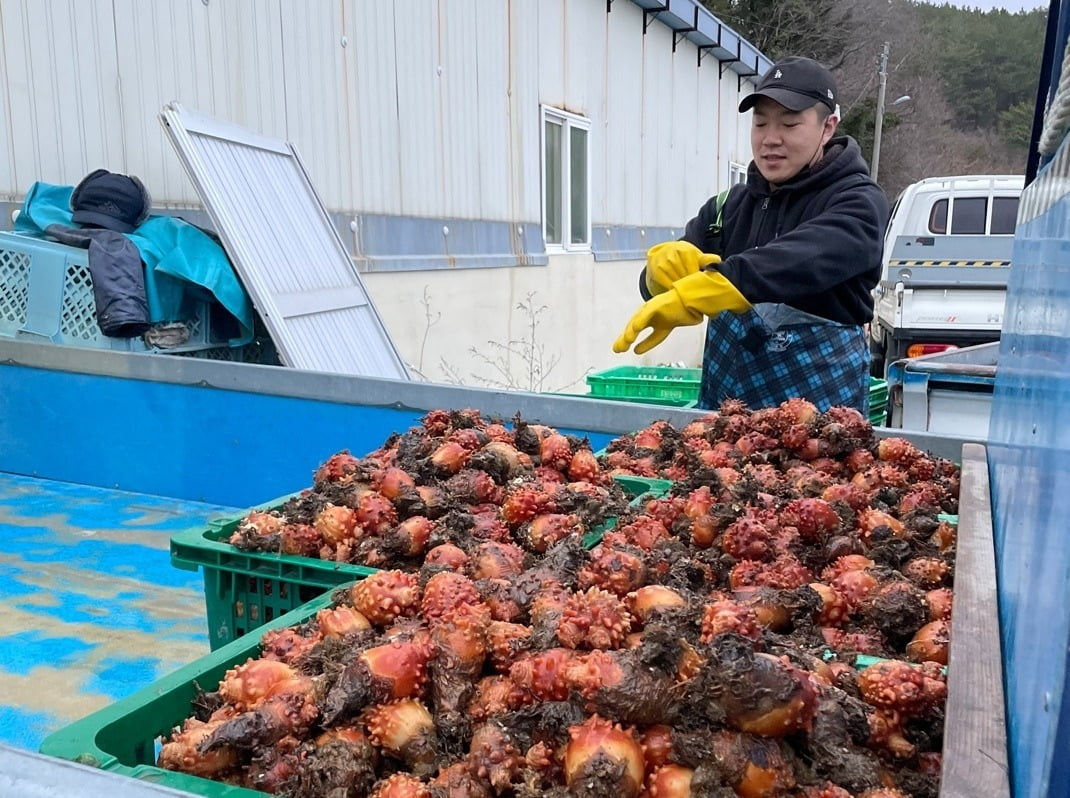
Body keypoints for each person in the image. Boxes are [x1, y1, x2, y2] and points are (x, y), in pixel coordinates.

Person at [613, 56, 889, 414]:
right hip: (725, 430)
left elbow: (803, 257)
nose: (770, 140)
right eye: (760, 124)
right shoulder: (727, 208)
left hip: (821, 429)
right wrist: (659, 274)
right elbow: (659, 290)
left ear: (828, 126)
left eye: (789, 124)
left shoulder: (858, 202)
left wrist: (727, 283)